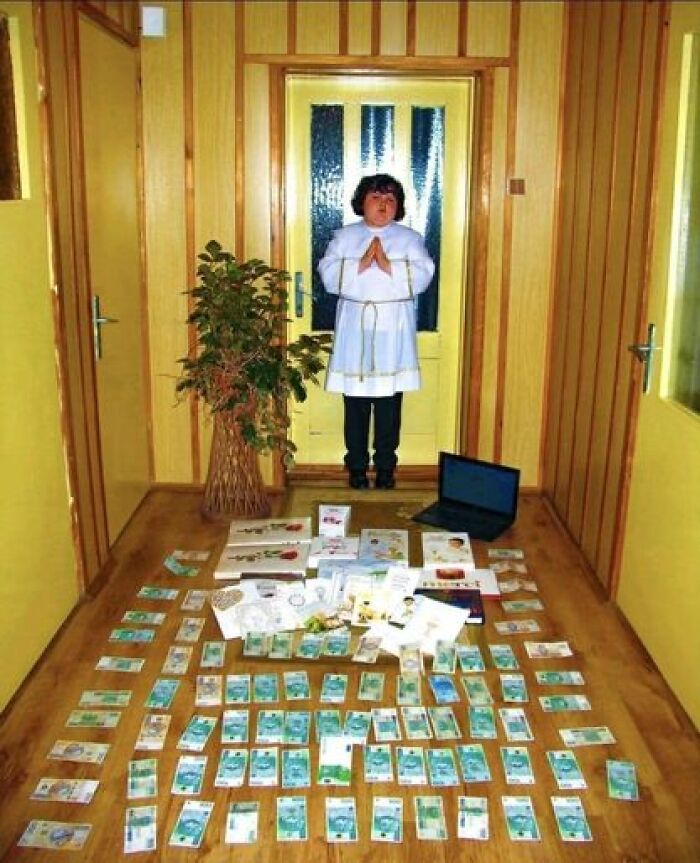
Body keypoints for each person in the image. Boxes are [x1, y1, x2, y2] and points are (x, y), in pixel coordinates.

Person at [318, 173, 435, 489]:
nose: (383, 204)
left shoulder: (409, 239)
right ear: (362, 202)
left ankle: (385, 468)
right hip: (354, 331)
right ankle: (356, 467)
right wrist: (359, 262)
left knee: (388, 406)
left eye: (390, 199)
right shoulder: (345, 237)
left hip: (392, 332)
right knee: (355, 406)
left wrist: (386, 264)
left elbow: (423, 275)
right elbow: (328, 275)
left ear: (398, 206)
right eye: (376, 197)